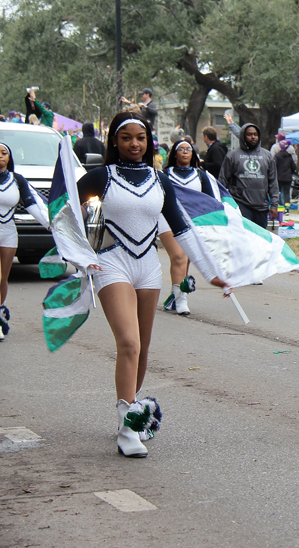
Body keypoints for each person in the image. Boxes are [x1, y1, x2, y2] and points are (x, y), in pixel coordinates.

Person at [77, 112, 225, 457]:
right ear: (114, 141)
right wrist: (75, 252)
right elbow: (64, 208)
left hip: (148, 267)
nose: (134, 144)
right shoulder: (100, 176)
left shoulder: (160, 180)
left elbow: (182, 228)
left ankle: (126, 414)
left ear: (149, 143)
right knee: (128, 342)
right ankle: (129, 430)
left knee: (142, 348)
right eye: (126, 137)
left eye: (140, 138)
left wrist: (209, 271)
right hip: (111, 262)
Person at [160, 139, 227, 316]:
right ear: (174, 154)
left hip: (191, 222)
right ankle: (182, 299)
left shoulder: (200, 175)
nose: (184, 152)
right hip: (167, 220)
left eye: (188, 149)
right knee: (179, 256)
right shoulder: (165, 174)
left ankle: (175, 295)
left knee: (185, 260)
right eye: (180, 149)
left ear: (193, 154)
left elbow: (210, 201)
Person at [0, 142, 49, 339]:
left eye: (4, 153)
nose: (0, 156)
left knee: (2, 278)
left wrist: (50, 225)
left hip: (9, 234)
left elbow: (32, 205)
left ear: (9, 157)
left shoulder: (17, 180)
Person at [220, 112, 278, 228]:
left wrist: (274, 205)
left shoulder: (267, 156)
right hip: (240, 205)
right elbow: (222, 181)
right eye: (249, 134)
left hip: (261, 206)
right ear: (243, 136)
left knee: (260, 239)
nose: (253, 137)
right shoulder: (232, 156)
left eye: (255, 134)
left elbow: (273, 182)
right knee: (243, 238)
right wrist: (222, 204)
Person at [274, 140, 297, 207]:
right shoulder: (289, 156)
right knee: (287, 193)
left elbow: (274, 166)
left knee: (277, 192)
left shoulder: (277, 156)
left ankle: (277, 206)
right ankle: (287, 208)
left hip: (279, 177)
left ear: (280, 147)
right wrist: (290, 173)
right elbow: (294, 167)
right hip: (288, 177)